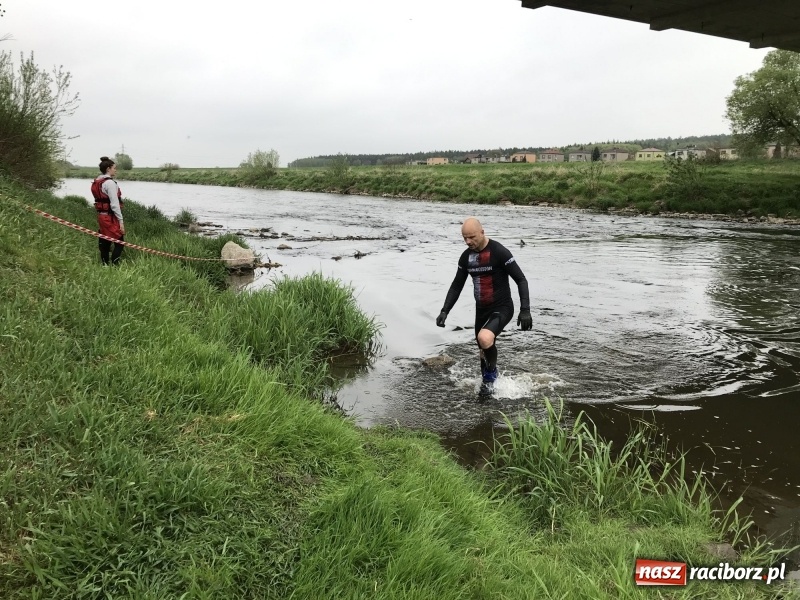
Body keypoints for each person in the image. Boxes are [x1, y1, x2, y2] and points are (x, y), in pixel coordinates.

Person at [436, 217, 532, 396]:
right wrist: (444, 310)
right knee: (482, 350)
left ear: (482, 232)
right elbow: (457, 285)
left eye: (471, 237)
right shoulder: (466, 257)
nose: (468, 241)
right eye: (464, 238)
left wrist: (525, 309)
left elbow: (521, 279)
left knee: (485, 338)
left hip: (502, 307)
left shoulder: (499, 252)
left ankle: (491, 375)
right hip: (481, 310)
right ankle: (487, 390)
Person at [90, 156, 125, 265]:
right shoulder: (109, 183)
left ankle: (105, 264)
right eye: (114, 168)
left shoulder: (98, 181)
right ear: (108, 169)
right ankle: (115, 265)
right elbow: (114, 205)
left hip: (101, 216)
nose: (116, 170)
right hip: (110, 217)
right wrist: (121, 221)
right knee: (120, 241)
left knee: (105, 239)